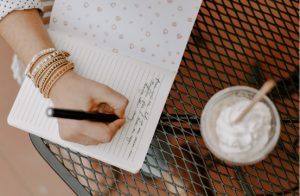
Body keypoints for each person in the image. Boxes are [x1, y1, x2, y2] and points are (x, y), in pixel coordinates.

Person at [0, 0, 128, 194]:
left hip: (130, 28)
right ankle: (84, 150)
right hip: (47, 35)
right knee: (73, 119)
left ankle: (156, 154)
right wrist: (55, 78)